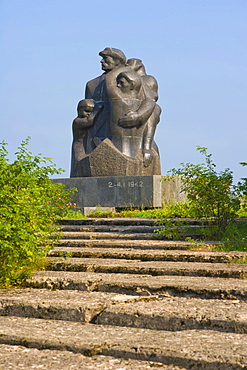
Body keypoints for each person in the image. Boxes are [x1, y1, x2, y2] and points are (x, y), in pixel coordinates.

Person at [126, 58, 161, 166]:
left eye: (128, 65)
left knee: (154, 109)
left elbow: (153, 98)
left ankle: (146, 148)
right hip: (133, 111)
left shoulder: (148, 79)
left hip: (147, 112)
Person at [70, 99, 102, 177]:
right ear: (79, 110)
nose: (89, 114)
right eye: (86, 111)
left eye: (91, 112)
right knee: (78, 163)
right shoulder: (77, 121)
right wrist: (96, 110)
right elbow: (89, 121)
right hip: (79, 145)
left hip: (86, 145)